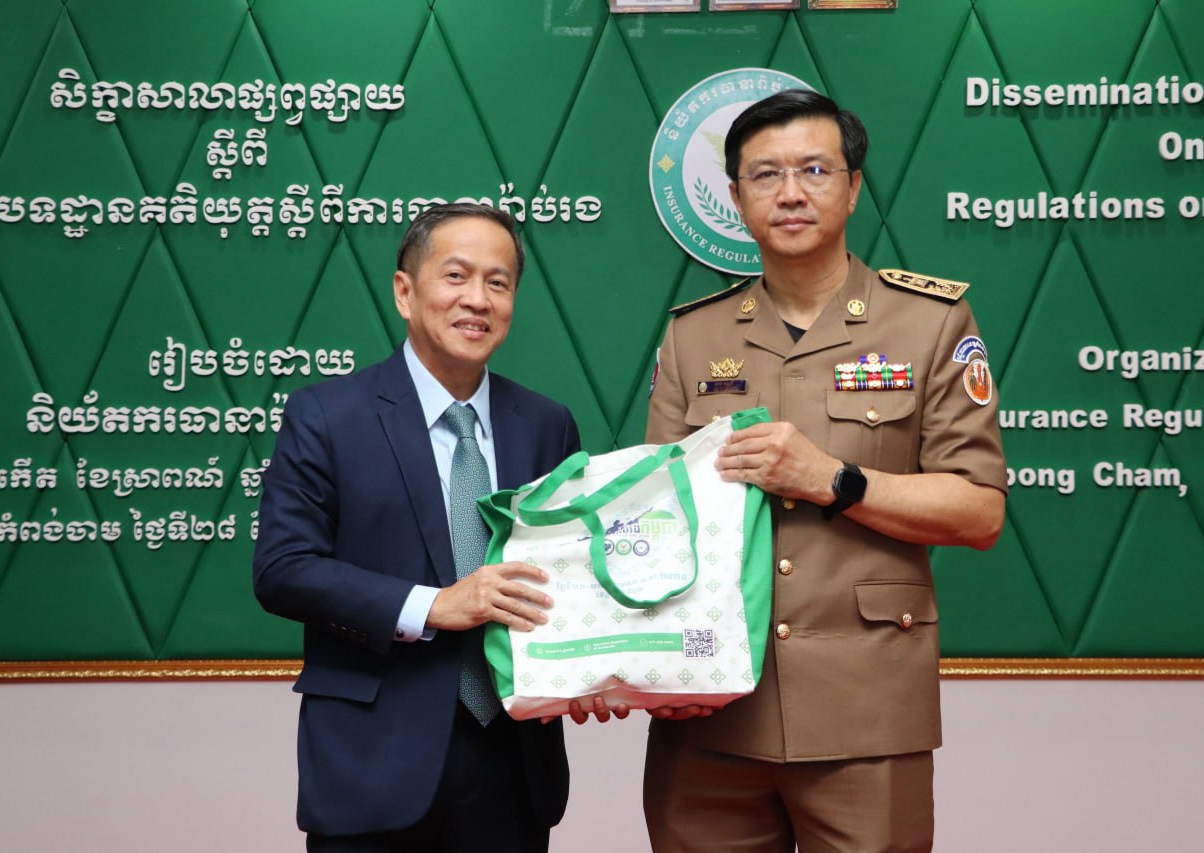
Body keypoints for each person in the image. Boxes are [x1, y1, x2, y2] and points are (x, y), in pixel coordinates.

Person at [643, 90, 1008, 852]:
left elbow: (979, 511)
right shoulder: (692, 336)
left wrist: (834, 479)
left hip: (867, 714)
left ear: (853, 187)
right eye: (766, 174)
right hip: (710, 717)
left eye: (814, 169)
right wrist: (645, 666)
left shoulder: (931, 322)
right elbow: (659, 525)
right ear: (735, 198)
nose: (791, 192)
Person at [253, 203, 613, 853]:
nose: (478, 299)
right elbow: (283, 569)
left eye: (498, 282)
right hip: (373, 762)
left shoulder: (546, 424)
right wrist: (434, 605)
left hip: (513, 765)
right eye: (456, 275)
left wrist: (589, 669)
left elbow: (572, 572)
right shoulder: (326, 415)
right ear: (405, 291)